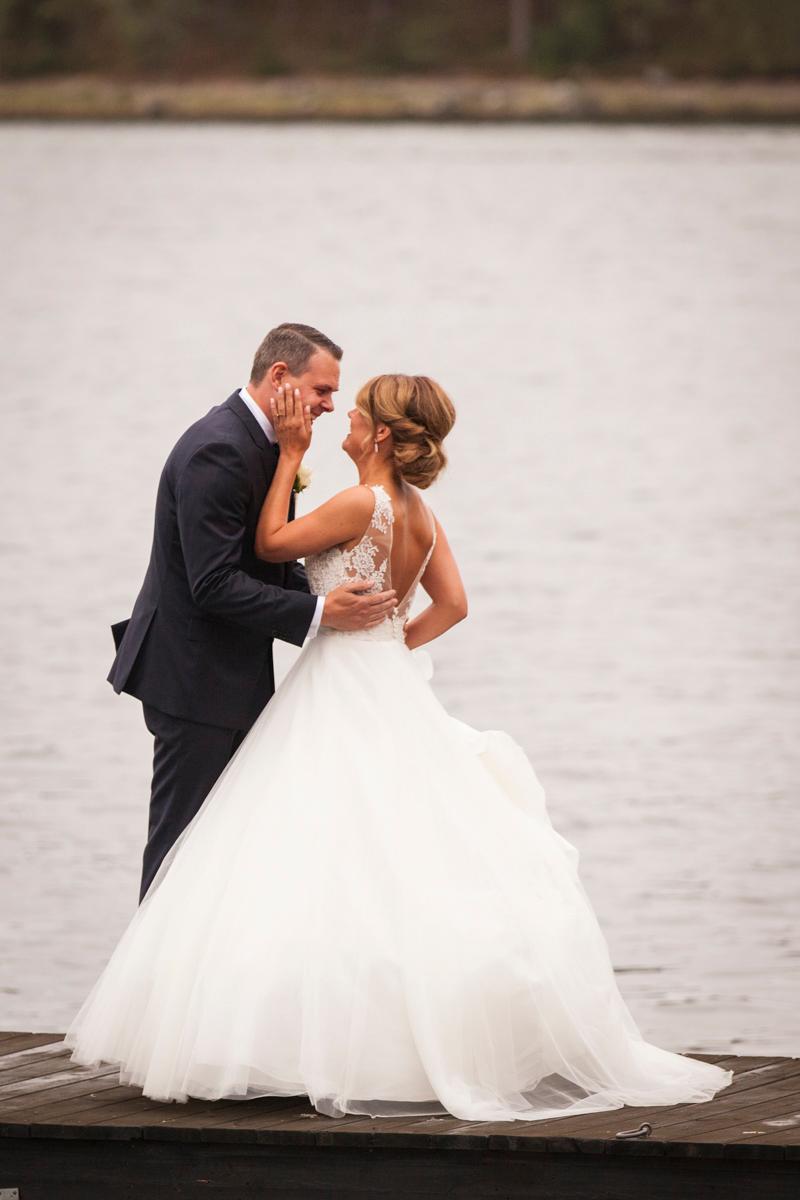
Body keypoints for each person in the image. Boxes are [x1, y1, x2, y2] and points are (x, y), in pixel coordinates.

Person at [65, 374, 734, 1122]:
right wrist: (387, 646)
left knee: (312, 848)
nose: (340, 421)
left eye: (353, 415)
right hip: (385, 677)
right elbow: (455, 604)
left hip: (341, 682)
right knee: (390, 851)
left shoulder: (362, 502)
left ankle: (287, 1041)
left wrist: (288, 455)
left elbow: (270, 544)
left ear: (380, 436)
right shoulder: (421, 512)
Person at [105, 323, 397, 902]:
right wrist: (320, 612)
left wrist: (331, 590)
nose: (329, 406)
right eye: (322, 390)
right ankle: (150, 986)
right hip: (193, 681)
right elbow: (213, 583)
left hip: (227, 676)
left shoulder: (265, 444)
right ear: (280, 376)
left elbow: (259, 560)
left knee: (224, 849)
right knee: (180, 848)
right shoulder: (219, 449)